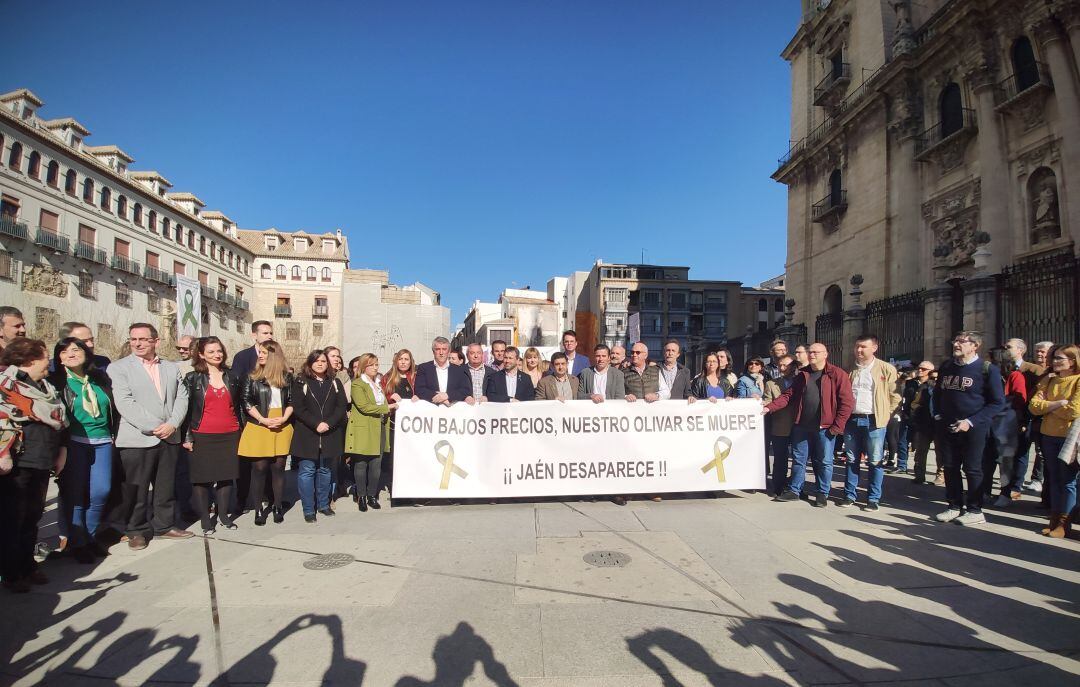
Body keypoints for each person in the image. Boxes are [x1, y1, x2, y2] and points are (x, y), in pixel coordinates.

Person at [109, 323, 192, 549]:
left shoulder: (170, 367)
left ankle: (164, 525)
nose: (137, 343)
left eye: (143, 339)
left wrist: (173, 424)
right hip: (138, 437)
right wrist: (157, 426)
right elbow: (125, 403)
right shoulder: (118, 368)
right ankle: (135, 529)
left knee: (165, 485)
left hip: (169, 436)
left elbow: (182, 397)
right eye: (133, 339)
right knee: (137, 487)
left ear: (156, 341)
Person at [0, 338, 67, 592]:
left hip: (42, 459)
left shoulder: (46, 388)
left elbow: (61, 422)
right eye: (44, 357)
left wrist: (62, 451)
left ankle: (28, 565)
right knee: (12, 519)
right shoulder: (6, 386)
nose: (48, 361)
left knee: (32, 516)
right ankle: (11, 573)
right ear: (29, 360)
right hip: (17, 462)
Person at [49, 337, 116, 563]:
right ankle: (78, 542)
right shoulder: (57, 382)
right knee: (75, 494)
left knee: (101, 491)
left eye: (76, 349)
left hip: (103, 441)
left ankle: (91, 536)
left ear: (86, 354)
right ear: (59, 357)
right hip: (74, 443)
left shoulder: (99, 378)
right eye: (65, 351)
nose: (71, 354)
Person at [764, 342, 854, 508]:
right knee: (799, 460)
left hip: (825, 427)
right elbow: (788, 395)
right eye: (810, 352)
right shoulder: (803, 375)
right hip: (802, 426)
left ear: (825, 354)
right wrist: (769, 407)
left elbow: (847, 403)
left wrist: (837, 427)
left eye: (816, 352)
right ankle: (794, 490)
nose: (812, 355)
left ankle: (822, 493)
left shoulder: (837, 374)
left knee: (824, 461)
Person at [931, 331, 1006, 527]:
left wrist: (970, 422)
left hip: (974, 427)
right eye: (955, 340)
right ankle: (954, 506)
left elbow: (997, 403)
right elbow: (937, 393)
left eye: (962, 342)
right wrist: (938, 414)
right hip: (947, 425)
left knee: (972, 469)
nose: (956, 344)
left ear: (975, 346)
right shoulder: (947, 366)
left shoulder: (987, 369)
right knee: (949, 466)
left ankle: (975, 510)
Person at [181, 336, 244, 536]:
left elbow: (240, 406)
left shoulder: (232, 376)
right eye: (211, 352)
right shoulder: (193, 378)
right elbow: (187, 410)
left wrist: (242, 431)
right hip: (202, 434)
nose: (217, 355)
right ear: (201, 355)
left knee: (227, 477)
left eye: (219, 351)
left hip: (230, 433)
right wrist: (187, 436)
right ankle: (205, 519)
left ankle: (224, 515)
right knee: (202, 479)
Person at [837, 335, 900, 511]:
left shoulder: (886, 369)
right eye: (857, 346)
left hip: (874, 420)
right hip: (852, 419)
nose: (859, 350)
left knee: (875, 460)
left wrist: (886, 415)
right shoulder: (849, 369)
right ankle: (849, 495)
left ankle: (873, 498)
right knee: (851, 458)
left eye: (863, 347)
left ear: (874, 348)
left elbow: (895, 396)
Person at [238, 339, 294, 525]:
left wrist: (285, 418)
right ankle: (258, 508)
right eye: (259, 352)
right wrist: (262, 419)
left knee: (278, 468)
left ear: (273, 355)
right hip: (259, 423)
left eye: (264, 352)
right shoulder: (252, 376)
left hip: (281, 423)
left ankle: (277, 505)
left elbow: (292, 401)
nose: (260, 355)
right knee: (259, 468)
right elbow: (245, 401)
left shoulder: (286, 377)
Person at [291, 349, 349, 523]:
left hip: (330, 434)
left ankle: (323, 505)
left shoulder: (335, 382)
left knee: (325, 471)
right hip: (308, 434)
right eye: (316, 361)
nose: (320, 363)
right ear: (310, 363)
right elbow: (299, 408)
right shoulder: (301, 381)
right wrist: (316, 424)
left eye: (323, 361)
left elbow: (341, 407)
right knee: (307, 471)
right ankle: (309, 509)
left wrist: (328, 423)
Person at [1028, 344, 1080, 537]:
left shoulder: (1077, 380)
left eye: (1060, 358)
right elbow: (1034, 406)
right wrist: (1058, 403)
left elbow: (1074, 411)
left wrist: (1047, 407)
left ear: (1072, 361)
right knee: (1054, 480)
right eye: (1055, 358)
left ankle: (1065, 523)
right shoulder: (1049, 380)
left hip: (1069, 437)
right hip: (1048, 435)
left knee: (1068, 481)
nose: (1054, 361)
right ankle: (1054, 518)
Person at [347, 353, 396, 511]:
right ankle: (361, 495)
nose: (375, 367)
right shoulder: (357, 384)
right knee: (361, 464)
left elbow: (380, 402)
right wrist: (386, 408)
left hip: (379, 426)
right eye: (372, 365)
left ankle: (371, 495)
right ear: (364, 366)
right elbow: (364, 406)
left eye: (376, 364)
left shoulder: (378, 383)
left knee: (376, 464)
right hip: (364, 428)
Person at [980, 346, 1026, 508]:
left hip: (1006, 421)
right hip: (989, 420)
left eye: (990, 357)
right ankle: (984, 491)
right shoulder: (987, 375)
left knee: (1005, 459)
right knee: (987, 458)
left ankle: (1005, 493)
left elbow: (1020, 399)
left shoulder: (1015, 375)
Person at [380, 349, 416, 499]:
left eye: (406, 359)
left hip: (414, 426)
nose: (403, 362)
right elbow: (379, 397)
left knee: (411, 455)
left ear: (410, 361)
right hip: (394, 424)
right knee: (394, 456)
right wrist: (389, 396)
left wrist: (417, 396)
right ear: (396, 361)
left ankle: (411, 485)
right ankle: (394, 487)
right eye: (400, 359)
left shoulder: (415, 377)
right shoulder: (388, 378)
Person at [762, 355, 797, 497]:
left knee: (799, 459)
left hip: (799, 425)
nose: (783, 368)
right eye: (780, 365)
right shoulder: (771, 384)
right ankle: (778, 486)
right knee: (780, 458)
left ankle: (795, 486)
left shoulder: (801, 381)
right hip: (779, 425)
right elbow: (767, 401)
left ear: (794, 366)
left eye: (786, 365)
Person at [414, 337, 473, 405]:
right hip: (430, 411)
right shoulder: (423, 368)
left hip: (453, 412)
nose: (441, 352)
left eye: (444, 349)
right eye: (438, 349)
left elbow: (465, 390)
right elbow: (419, 389)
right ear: (433, 351)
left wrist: (448, 395)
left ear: (449, 351)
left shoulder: (459, 370)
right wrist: (440, 398)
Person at [907, 361, 936, 484]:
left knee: (940, 453)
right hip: (922, 423)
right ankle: (919, 475)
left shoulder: (937, 386)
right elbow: (913, 403)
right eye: (919, 368)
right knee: (920, 450)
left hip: (937, 423)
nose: (920, 370)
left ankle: (940, 475)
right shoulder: (918, 386)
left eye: (924, 369)